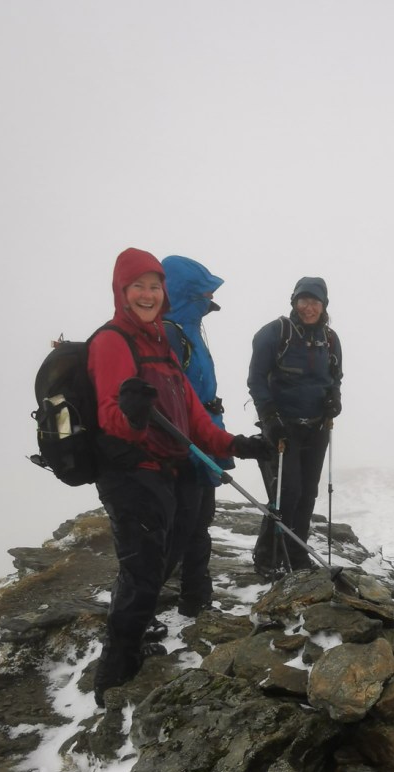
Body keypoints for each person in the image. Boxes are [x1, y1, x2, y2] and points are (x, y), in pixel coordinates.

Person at [88, 248, 271, 707]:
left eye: (154, 286)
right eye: (138, 286)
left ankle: (129, 648)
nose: (148, 294)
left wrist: (236, 445)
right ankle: (113, 676)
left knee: (151, 566)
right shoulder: (112, 341)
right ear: (122, 291)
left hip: (163, 472)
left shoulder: (161, 344)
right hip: (130, 473)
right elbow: (110, 415)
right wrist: (132, 414)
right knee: (142, 573)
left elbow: (193, 417)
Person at [247, 277, 343, 577]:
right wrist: (269, 418)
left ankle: (296, 553)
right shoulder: (275, 333)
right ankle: (267, 556)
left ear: (324, 305)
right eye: (303, 300)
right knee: (287, 492)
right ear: (294, 302)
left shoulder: (330, 339)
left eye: (315, 301)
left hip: (317, 427)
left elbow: (335, 378)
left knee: (308, 493)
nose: (308, 307)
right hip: (282, 426)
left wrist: (334, 399)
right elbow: (256, 379)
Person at [161, 255, 233, 617]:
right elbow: (169, 397)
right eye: (203, 291)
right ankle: (141, 608)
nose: (210, 298)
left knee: (200, 521)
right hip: (183, 445)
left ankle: (196, 598)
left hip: (204, 437)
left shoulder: (189, 329)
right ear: (182, 291)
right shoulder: (169, 333)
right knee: (180, 527)